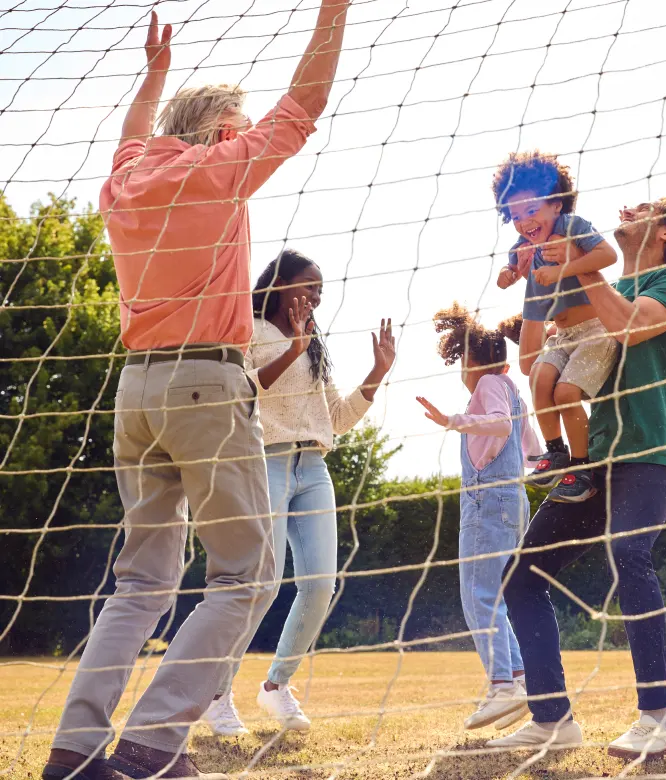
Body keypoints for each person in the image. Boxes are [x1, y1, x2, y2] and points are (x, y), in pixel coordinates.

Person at [41, 4, 350, 779]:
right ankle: (153, 742)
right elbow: (304, 105)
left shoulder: (125, 182)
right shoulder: (220, 167)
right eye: (238, 123)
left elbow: (134, 132)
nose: (247, 132)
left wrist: (153, 76)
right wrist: (334, 13)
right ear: (218, 132)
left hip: (136, 392)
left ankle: (75, 750)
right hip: (207, 384)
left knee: (141, 581)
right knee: (247, 575)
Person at [488, 198, 666, 763]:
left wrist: (585, 266)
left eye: (645, 208)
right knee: (523, 577)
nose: (627, 207)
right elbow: (534, 362)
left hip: (650, 452)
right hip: (592, 459)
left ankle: (657, 717)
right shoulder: (582, 290)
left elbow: (630, 329)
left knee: (628, 553)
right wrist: (537, 285)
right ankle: (552, 719)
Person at [201, 249, 396, 735]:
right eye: (308, 285)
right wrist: (292, 347)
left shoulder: (314, 346)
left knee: (320, 584)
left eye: (320, 291)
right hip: (263, 463)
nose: (314, 296)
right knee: (257, 583)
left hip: (314, 468)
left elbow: (337, 420)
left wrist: (377, 373)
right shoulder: (248, 329)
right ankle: (216, 695)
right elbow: (242, 393)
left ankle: (276, 687)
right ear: (280, 283)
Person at [416, 304, 541, 732]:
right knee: (498, 597)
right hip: (513, 501)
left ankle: (502, 685)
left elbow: (501, 427)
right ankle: (520, 681)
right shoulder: (512, 387)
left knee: (478, 596)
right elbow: (535, 452)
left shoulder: (488, 384)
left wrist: (452, 420)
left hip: (487, 502)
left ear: (469, 363)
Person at [493, 151, 618, 503]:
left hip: (594, 329)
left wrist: (564, 268)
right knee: (539, 378)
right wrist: (510, 273)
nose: (524, 222)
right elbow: (506, 277)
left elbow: (609, 257)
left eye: (531, 211)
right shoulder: (524, 246)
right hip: (561, 336)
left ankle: (582, 467)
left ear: (556, 205)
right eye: (516, 216)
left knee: (565, 393)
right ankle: (555, 452)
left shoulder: (574, 227)